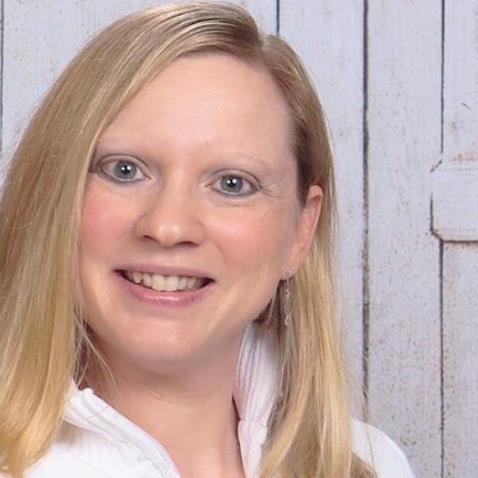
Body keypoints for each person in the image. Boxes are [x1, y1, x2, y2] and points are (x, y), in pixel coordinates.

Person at [0, 2, 415, 477]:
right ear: (52, 196)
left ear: (302, 230)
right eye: (125, 170)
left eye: (232, 184)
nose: (169, 227)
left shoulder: (370, 465)